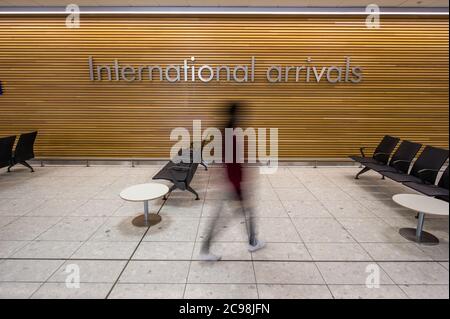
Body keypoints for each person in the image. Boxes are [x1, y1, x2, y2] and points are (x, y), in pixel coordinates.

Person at [200, 102, 265, 261]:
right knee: (224, 217)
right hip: (233, 185)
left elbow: (225, 160)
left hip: (230, 183)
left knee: (237, 214)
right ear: (237, 116)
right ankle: (206, 250)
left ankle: (252, 241)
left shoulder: (224, 132)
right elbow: (233, 164)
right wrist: (239, 187)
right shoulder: (232, 135)